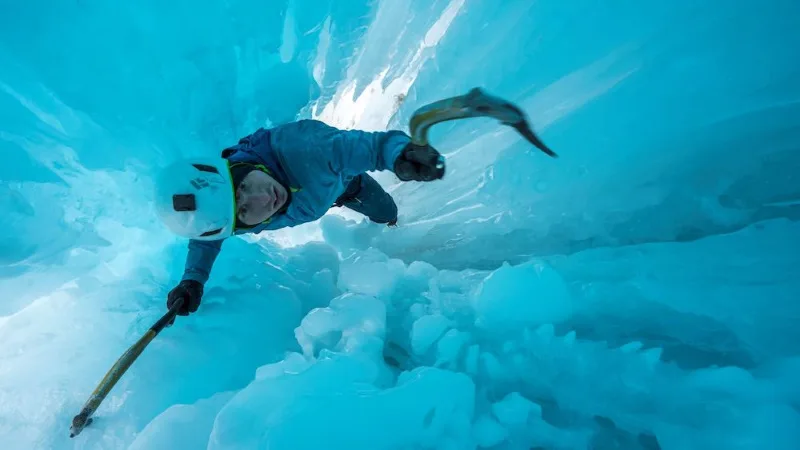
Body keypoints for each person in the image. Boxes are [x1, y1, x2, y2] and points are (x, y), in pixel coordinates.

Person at [154, 119, 445, 318]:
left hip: (347, 186)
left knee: (386, 213)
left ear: (233, 166)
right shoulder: (225, 215)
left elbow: (358, 146)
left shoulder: (303, 147)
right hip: (320, 196)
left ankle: (391, 227)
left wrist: (398, 154)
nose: (263, 199)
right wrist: (192, 280)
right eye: (244, 210)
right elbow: (206, 241)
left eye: (243, 187)